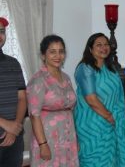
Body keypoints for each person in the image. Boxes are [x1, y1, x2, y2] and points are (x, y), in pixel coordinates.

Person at [74, 33, 125, 166]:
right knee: (94, 160)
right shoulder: (85, 68)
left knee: (112, 160)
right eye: (99, 45)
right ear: (90, 49)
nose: (104, 48)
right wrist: (109, 116)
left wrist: (116, 119)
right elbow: (91, 99)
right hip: (92, 125)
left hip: (112, 124)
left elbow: (118, 97)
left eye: (106, 45)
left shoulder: (110, 69)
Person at [26, 35, 79, 166]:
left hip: (68, 134)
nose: (58, 55)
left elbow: (71, 110)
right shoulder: (38, 80)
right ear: (43, 55)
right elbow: (34, 115)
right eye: (52, 51)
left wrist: (75, 138)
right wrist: (43, 144)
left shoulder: (66, 78)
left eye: (61, 51)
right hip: (47, 137)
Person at [0, 17, 27, 167]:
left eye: (2, 31)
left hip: (14, 137)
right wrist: (5, 124)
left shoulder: (13, 63)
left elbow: (22, 98)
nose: (0, 35)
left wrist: (14, 127)